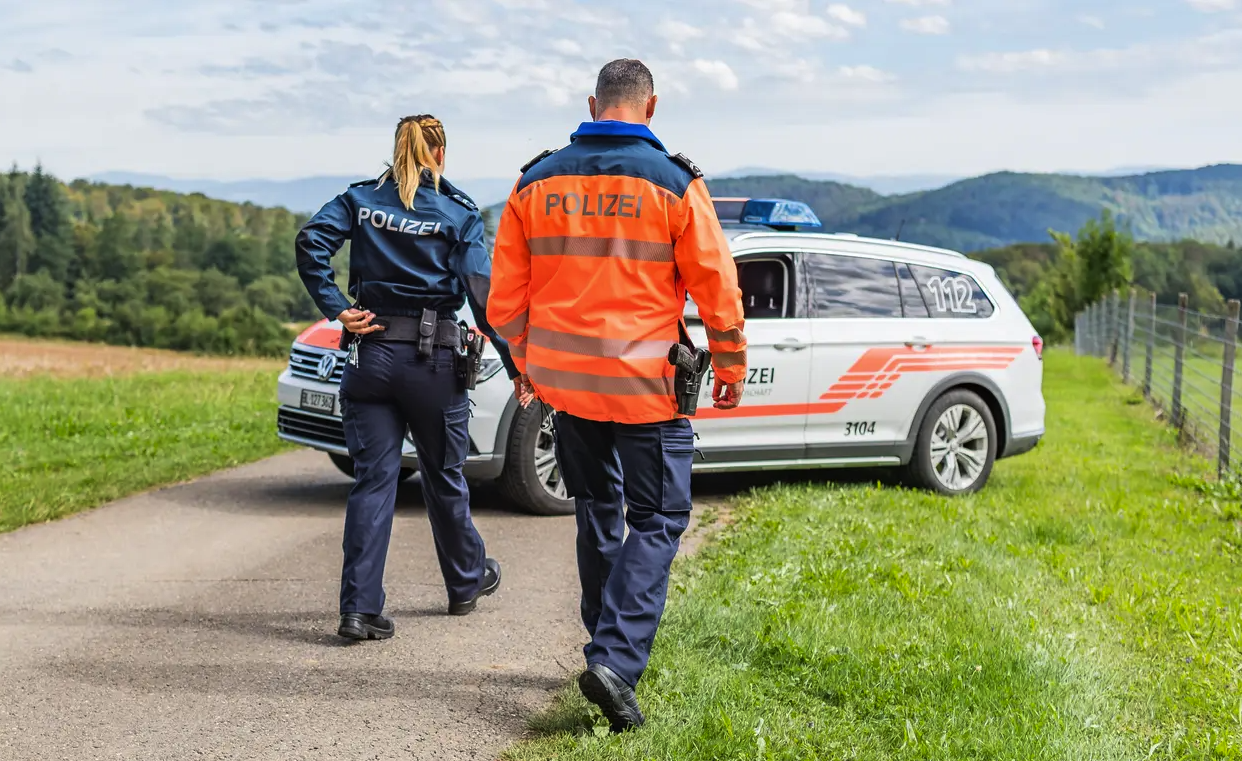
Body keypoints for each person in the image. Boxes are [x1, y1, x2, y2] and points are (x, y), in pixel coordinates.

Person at [488, 60, 748, 731]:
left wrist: (524, 362)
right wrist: (732, 363)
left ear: (591, 104)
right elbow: (717, 288)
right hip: (646, 389)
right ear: (650, 107)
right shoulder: (675, 182)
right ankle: (615, 660)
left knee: (597, 507)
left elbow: (505, 299)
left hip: (567, 389)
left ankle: (603, 647)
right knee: (658, 518)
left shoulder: (534, 180)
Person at [296, 114, 528, 641]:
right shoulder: (460, 212)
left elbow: (310, 242)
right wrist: (519, 369)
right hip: (433, 362)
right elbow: (484, 299)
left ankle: (358, 610)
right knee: (444, 475)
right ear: (440, 154)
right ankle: (466, 582)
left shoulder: (360, 200)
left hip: (370, 356)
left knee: (373, 481)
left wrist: (336, 308)